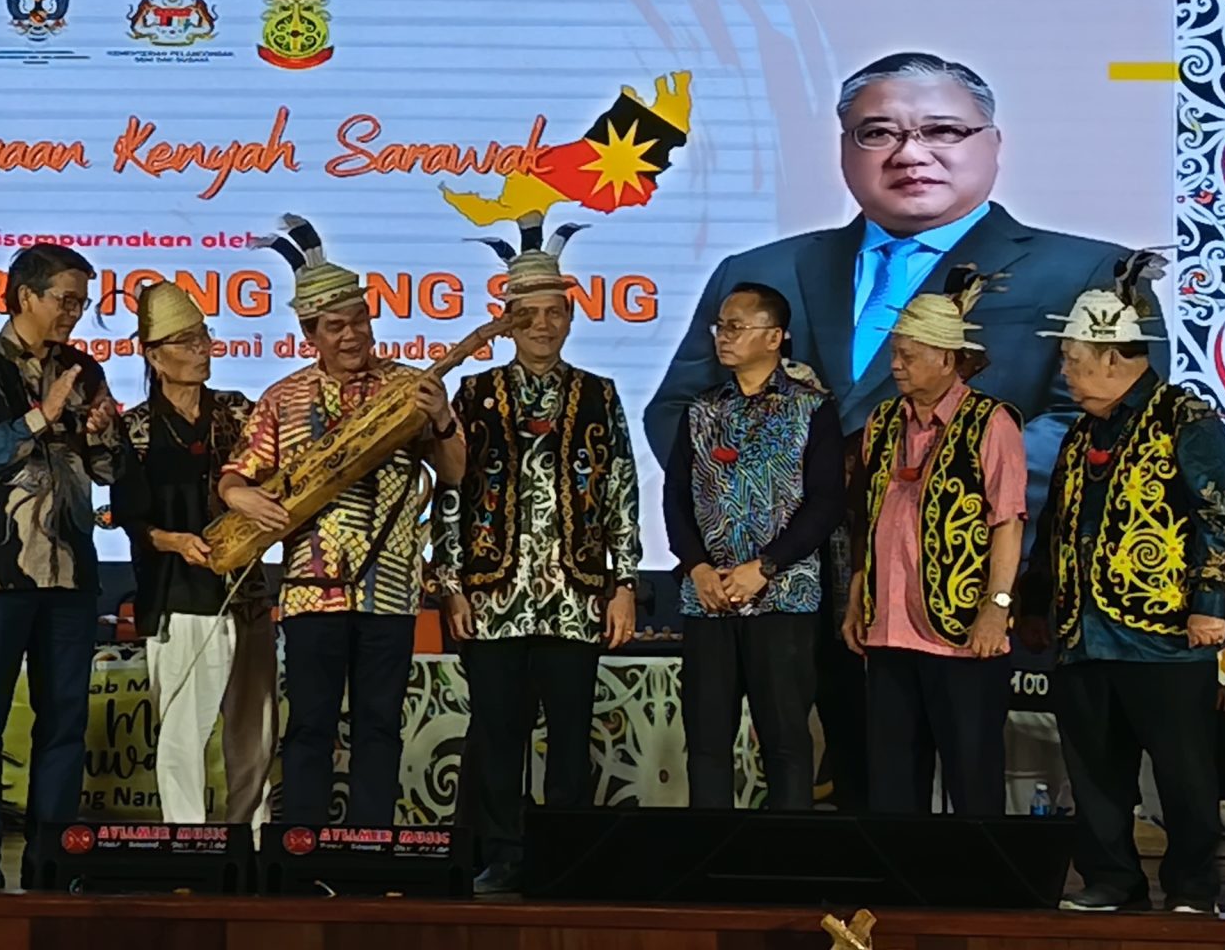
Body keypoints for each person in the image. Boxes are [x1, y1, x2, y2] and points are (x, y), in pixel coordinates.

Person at [645, 53, 1134, 814]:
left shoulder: (1086, 271)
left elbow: (1094, 420)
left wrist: (944, 481)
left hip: (960, 571)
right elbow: (679, 408)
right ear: (844, 148)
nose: (911, 153)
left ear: (993, 143)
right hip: (787, 574)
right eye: (878, 133)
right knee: (831, 764)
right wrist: (787, 501)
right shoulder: (761, 269)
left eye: (942, 130)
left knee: (959, 762)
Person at [220, 214, 476, 827]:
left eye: (359, 319)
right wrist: (240, 497)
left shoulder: (410, 387)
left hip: (391, 588)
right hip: (312, 592)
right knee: (309, 725)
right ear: (310, 332)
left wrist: (442, 418)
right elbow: (236, 476)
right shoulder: (283, 399)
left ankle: (370, 849)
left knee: (379, 725)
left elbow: (454, 472)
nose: (352, 334)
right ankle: (302, 848)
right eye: (335, 326)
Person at [1023, 257, 1225, 915]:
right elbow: (1056, 522)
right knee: (1094, 770)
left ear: (1115, 359)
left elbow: (1215, 517)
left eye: (1073, 359)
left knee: (1182, 769)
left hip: (1163, 632)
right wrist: (1036, 603)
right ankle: (1112, 878)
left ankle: (1193, 886)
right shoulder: (1082, 431)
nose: (1065, 372)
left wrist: (1209, 606)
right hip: (1085, 632)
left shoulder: (1184, 418)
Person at [439, 216, 640, 892]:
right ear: (507, 321)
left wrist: (624, 583)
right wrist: (452, 584)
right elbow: (451, 494)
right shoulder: (474, 394)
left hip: (575, 592)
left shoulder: (599, 394)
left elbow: (620, 491)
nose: (544, 326)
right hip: (493, 591)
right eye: (529, 315)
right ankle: (504, 853)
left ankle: (564, 856)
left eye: (555, 312)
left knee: (571, 733)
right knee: (498, 734)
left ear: (571, 317)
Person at [0, 243, 120, 892]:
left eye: (82, 303)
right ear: (25, 296)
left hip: (71, 570)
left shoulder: (84, 368)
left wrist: (102, 432)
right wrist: (41, 416)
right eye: (65, 300)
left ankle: (53, 855)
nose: (74, 313)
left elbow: (107, 471)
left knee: (65, 717)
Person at [843, 267, 1025, 817]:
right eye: (895, 353)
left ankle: (977, 875)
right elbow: (866, 519)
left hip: (961, 633)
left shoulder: (991, 423)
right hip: (889, 631)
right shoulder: (881, 422)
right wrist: (858, 595)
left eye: (908, 354)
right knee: (892, 784)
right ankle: (903, 873)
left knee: (971, 778)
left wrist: (996, 607)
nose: (895, 364)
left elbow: (1007, 522)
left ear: (947, 358)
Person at [663, 282, 843, 812]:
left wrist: (765, 566)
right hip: (709, 599)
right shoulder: (701, 410)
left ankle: (783, 856)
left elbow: (826, 503)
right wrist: (696, 567)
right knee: (707, 742)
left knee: (785, 741)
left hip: (782, 599)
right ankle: (711, 855)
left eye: (736, 326)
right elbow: (675, 497)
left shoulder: (811, 408)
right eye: (721, 326)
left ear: (774, 336)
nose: (724, 336)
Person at [111, 281, 275, 830]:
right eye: (186, 342)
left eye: (204, 337)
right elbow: (132, 520)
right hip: (178, 593)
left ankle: (252, 840)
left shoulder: (237, 412)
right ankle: (187, 838)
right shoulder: (135, 429)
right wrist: (176, 541)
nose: (202, 350)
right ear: (154, 356)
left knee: (255, 729)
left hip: (246, 588)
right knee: (183, 730)